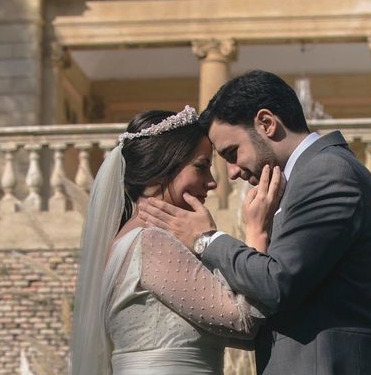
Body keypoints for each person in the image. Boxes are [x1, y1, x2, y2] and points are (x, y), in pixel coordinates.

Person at [140, 71, 371, 375]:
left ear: (266, 123)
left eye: (232, 154)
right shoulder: (302, 178)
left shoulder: (327, 172)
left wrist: (206, 238)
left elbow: (277, 283)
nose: (231, 173)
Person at [69, 107, 272, 375]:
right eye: (201, 167)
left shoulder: (133, 239)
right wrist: (256, 231)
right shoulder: (150, 242)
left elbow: (232, 334)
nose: (212, 183)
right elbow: (243, 322)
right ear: (160, 168)